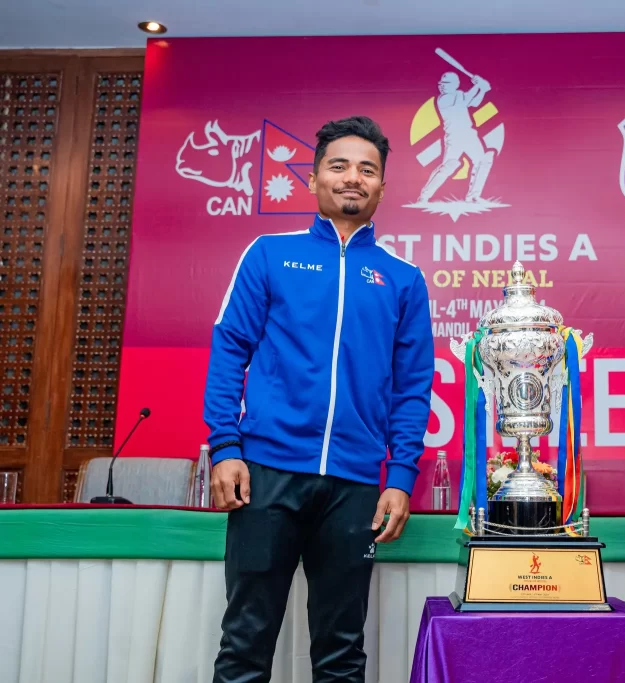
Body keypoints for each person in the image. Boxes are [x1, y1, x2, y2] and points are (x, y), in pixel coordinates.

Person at [203, 115, 435, 682]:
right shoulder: (269, 255)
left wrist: (400, 477)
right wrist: (225, 447)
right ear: (312, 179)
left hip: (354, 486)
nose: (353, 177)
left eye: (367, 169)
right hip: (266, 475)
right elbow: (229, 349)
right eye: (339, 166)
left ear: (383, 187)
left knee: (341, 652)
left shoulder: (403, 278)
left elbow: (412, 387)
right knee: (245, 642)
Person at [417, 70, 495, 204]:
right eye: (441, 83)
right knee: (448, 166)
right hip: (455, 137)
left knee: (482, 161)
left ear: (455, 84)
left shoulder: (459, 95)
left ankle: (473, 196)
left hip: (469, 134)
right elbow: (466, 100)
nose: (442, 86)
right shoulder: (443, 99)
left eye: (446, 83)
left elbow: (474, 103)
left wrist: (482, 90)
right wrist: (478, 85)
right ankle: (424, 196)